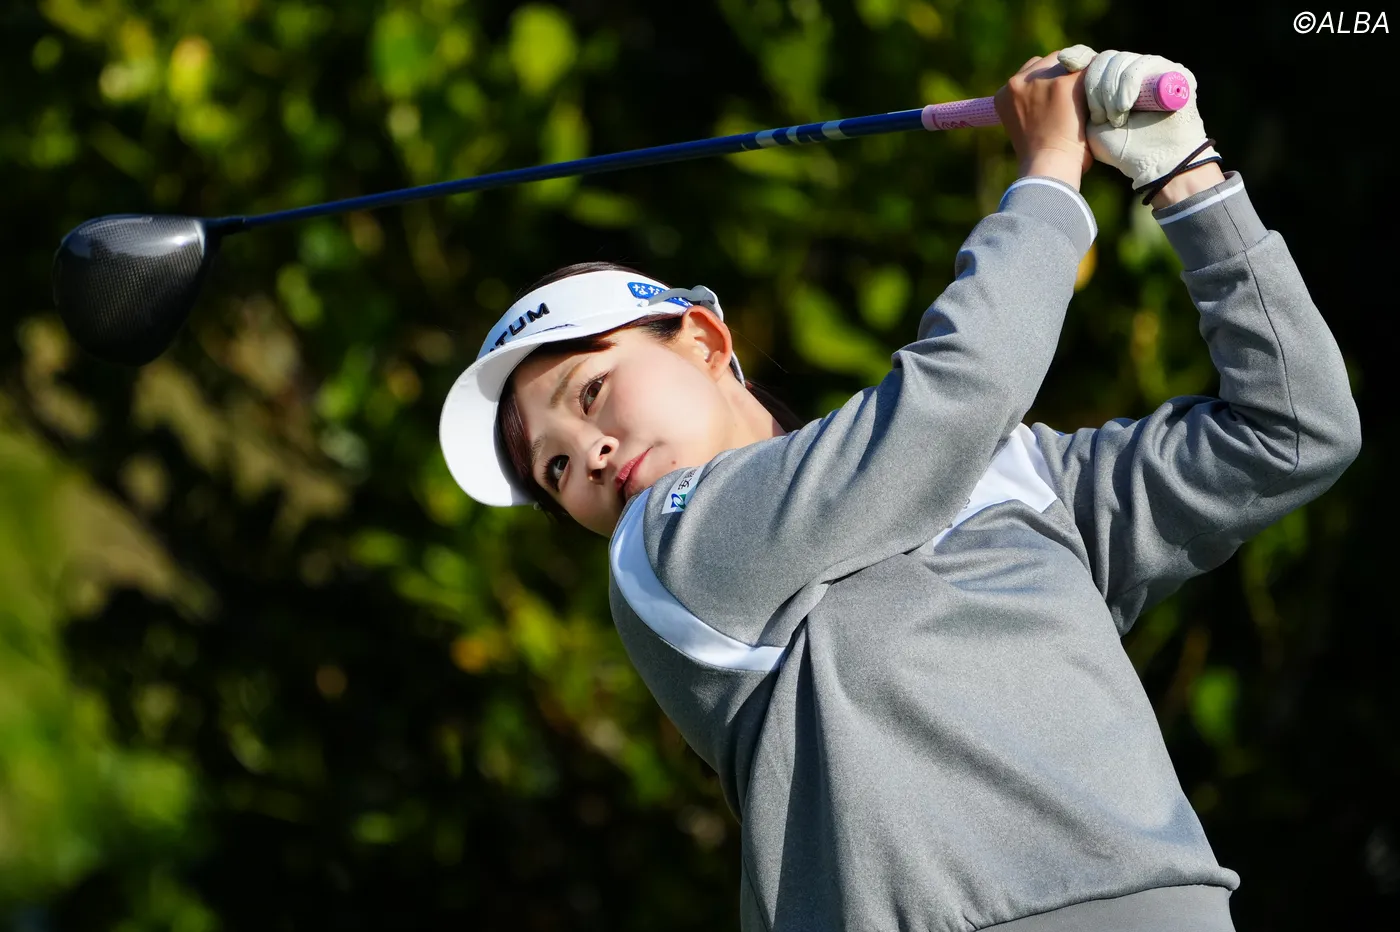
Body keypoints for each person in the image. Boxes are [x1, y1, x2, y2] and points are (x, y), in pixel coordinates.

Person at [437, 45, 1361, 931]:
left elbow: (1292, 431)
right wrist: (1048, 175)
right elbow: (956, 395)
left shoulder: (1015, 473)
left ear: (705, 340)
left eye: (590, 393)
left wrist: (1184, 177)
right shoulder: (665, 551)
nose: (590, 456)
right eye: (554, 470)